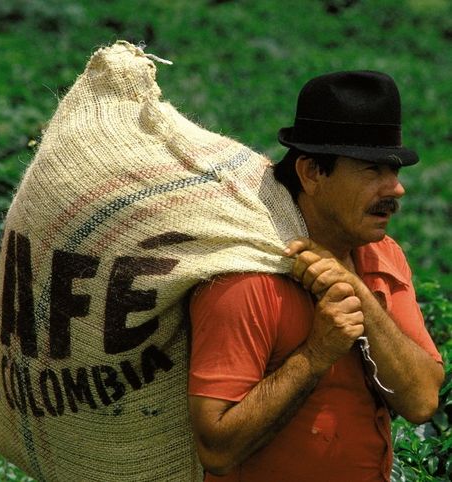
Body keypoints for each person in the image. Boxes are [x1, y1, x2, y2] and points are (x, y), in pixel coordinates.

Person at [187, 71, 444, 481]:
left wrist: (353, 288)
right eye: (372, 170)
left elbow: (421, 399)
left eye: (394, 170)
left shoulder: (383, 254)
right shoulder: (248, 277)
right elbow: (217, 450)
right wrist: (315, 355)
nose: (396, 189)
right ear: (311, 173)